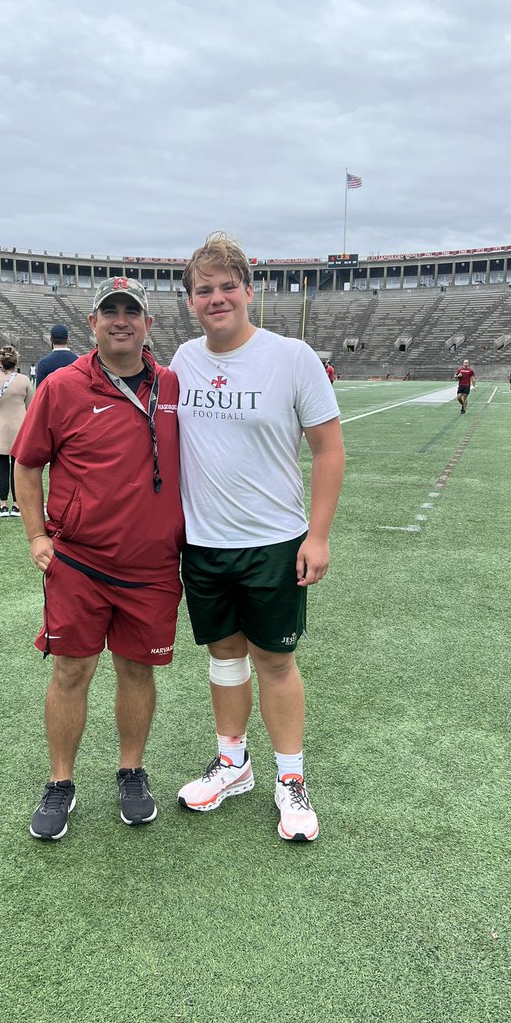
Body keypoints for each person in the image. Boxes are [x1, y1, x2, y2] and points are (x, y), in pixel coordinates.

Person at [170, 233, 345, 843]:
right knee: (224, 656)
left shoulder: (291, 357)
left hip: (274, 540)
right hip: (203, 543)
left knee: (274, 659)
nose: (216, 298)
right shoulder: (183, 361)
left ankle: (290, 777)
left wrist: (318, 536)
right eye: (204, 290)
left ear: (249, 291)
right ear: (190, 301)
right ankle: (233, 763)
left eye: (227, 287)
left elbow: (328, 449)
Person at [13, 277, 183, 841]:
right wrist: (36, 536)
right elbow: (27, 463)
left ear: (148, 324)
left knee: (137, 669)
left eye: (131, 311)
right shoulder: (62, 386)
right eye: (109, 311)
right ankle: (60, 781)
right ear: (92, 324)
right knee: (71, 671)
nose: (121, 320)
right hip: (80, 562)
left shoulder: (173, 385)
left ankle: (131, 771)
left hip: (152, 565)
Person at [0, 346, 33, 517]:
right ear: (16, 362)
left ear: (0, 361)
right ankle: (17, 505)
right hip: (20, 429)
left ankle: (3, 505)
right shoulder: (24, 380)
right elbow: (30, 408)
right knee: (17, 469)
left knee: (1, 467)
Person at [34, 323, 78, 388]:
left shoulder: (43, 363)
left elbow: (40, 390)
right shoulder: (78, 361)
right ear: (68, 339)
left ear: (50, 339)